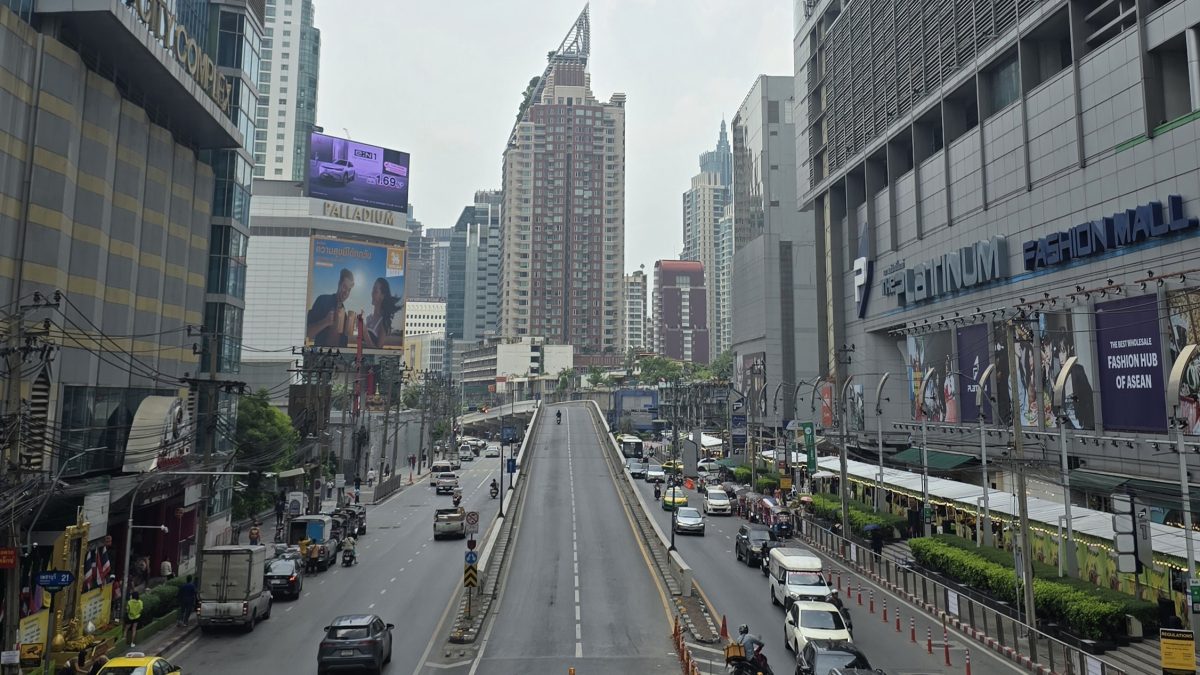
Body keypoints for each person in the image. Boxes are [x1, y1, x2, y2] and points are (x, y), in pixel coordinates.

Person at [306, 267, 355, 347]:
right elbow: (307, 333)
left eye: (349, 290)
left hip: (338, 358)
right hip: (320, 357)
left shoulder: (345, 315)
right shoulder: (322, 300)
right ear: (339, 284)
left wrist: (349, 330)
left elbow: (343, 345)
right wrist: (325, 321)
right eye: (344, 287)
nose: (346, 292)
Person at [363, 277, 401, 349]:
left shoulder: (384, 322)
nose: (372, 293)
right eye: (372, 289)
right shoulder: (369, 318)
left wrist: (364, 331)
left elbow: (377, 351)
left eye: (375, 290)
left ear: (382, 296)